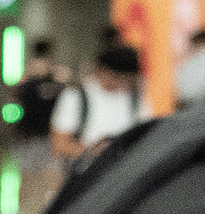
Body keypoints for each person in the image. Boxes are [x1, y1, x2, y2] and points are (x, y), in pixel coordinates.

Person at [48, 37, 143, 178]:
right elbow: (59, 144)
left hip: (125, 175)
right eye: (117, 78)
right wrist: (96, 152)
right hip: (87, 174)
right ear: (102, 71)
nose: (123, 85)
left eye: (128, 80)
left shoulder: (136, 99)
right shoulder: (76, 97)